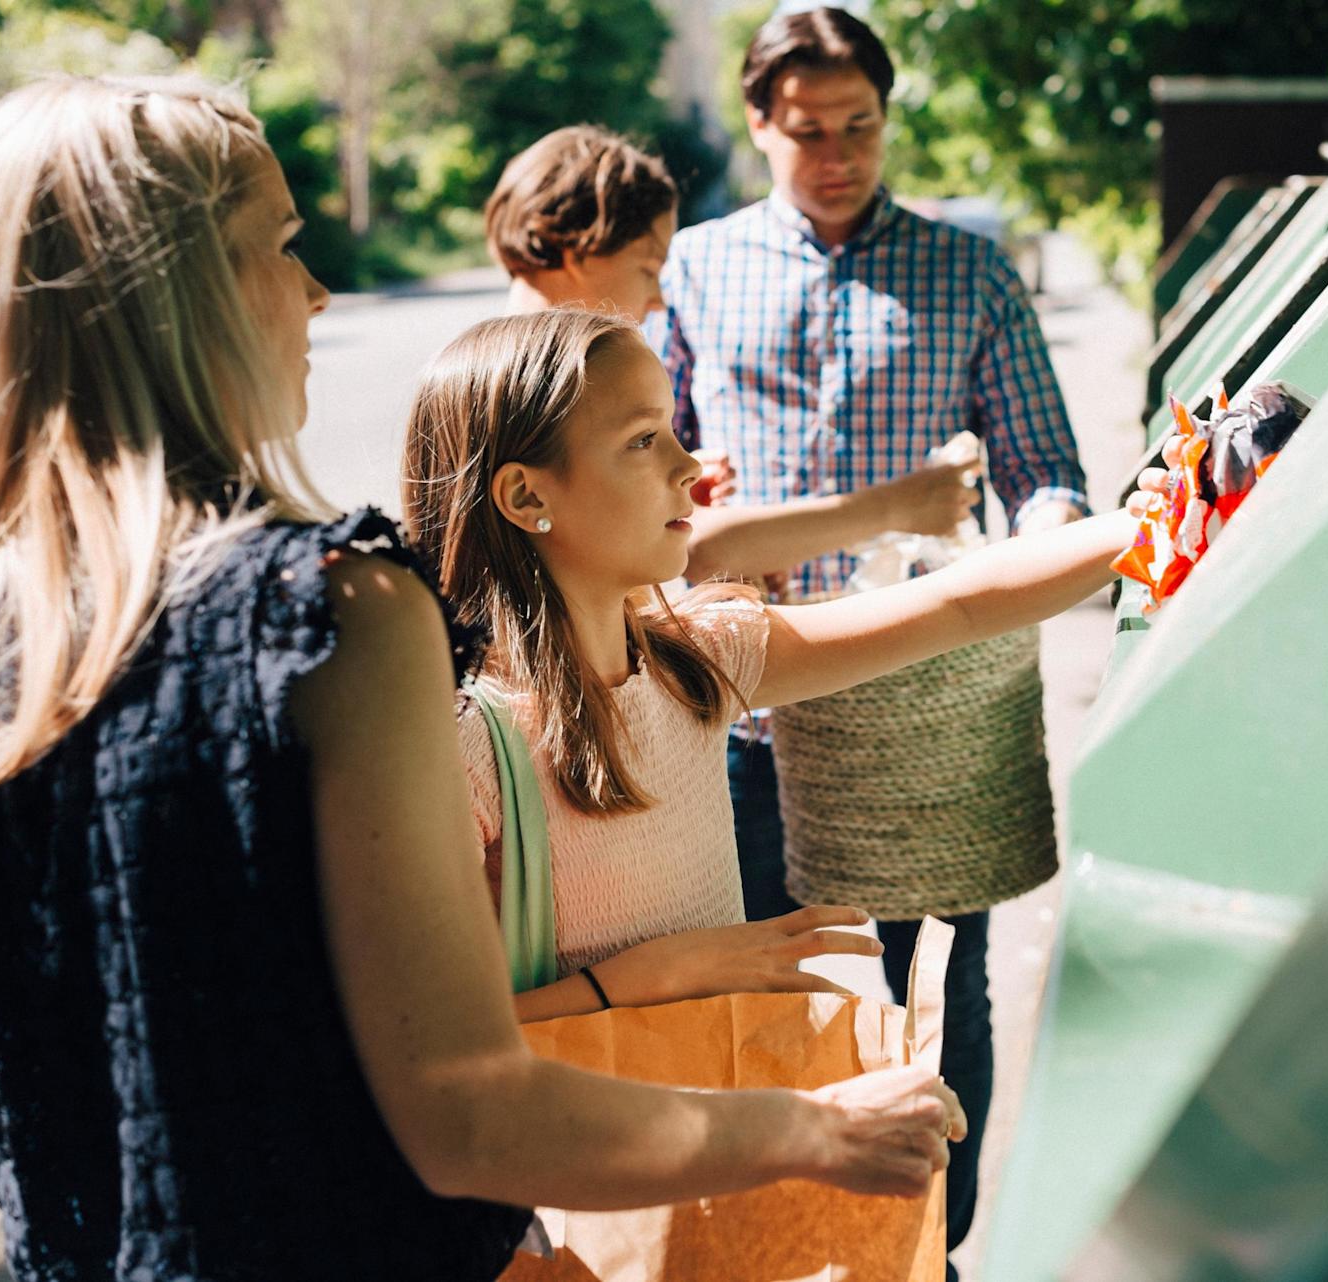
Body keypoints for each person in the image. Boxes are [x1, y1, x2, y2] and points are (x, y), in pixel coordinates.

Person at [0, 75, 967, 1282]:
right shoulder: (330, 612)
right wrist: (818, 1126)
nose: (318, 292)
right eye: (285, 244)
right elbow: (469, 1115)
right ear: (175, 296)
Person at [648, 8, 1091, 1263]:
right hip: (732, 711)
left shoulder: (971, 274)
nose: (837, 155)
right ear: (757, 125)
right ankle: (775, 1249)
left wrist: (1029, 543)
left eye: (860, 127)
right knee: (749, 998)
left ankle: (924, 1249)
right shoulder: (694, 271)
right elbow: (641, 471)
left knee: (929, 1001)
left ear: (888, 120)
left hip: (915, 717)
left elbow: (1045, 470)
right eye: (807, 133)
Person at [400, 308, 1149, 1026]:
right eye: (642, 441)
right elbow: (419, 1044)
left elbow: (956, 606)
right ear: (527, 495)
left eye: (672, 431)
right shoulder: (461, 743)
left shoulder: (695, 660)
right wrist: (648, 981)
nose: (688, 465)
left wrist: (1156, 521)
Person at [483, 122, 981, 583]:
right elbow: (702, 550)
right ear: (576, 245)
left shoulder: (507, 369)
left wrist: (668, 495)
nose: (658, 299)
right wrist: (895, 508)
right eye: (647, 268)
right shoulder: (547, 389)